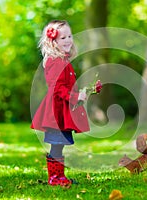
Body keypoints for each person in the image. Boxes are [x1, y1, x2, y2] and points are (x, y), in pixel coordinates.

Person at [31, 20, 90, 187]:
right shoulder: (55, 61)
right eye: (63, 37)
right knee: (57, 143)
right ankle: (54, 178)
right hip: (55, 112)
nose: (68, 40)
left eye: (69, 36)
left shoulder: (63, 60)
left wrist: (83, 93)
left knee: (59, 144)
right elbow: (57, 88)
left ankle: (59, 176)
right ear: (53, 42)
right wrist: (75, 97)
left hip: (61, 109)